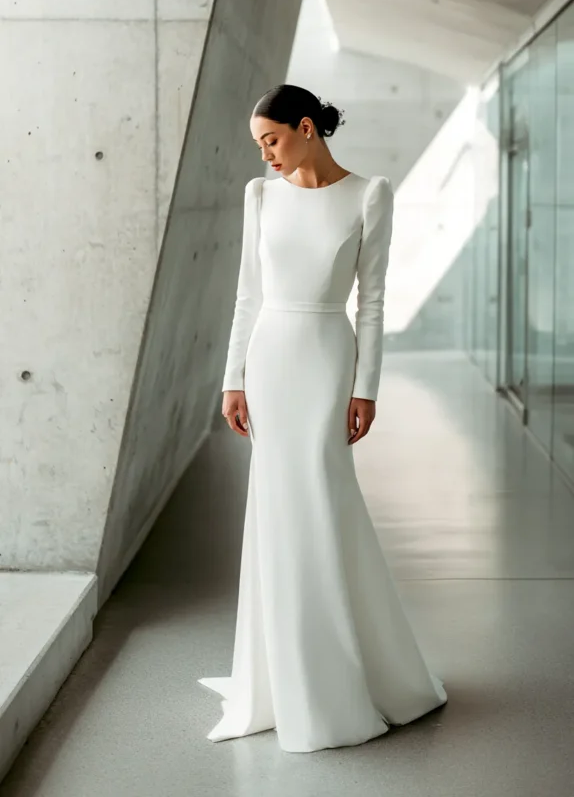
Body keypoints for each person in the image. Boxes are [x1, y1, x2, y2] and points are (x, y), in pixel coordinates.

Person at [198, 84, 446, 753]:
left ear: (306, 127)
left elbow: (371, 302)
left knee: (324, 500)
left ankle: (351, 674)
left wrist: (367, 388)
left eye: (271, 140)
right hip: (270, 358)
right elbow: (248, 294)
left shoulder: (370, 194)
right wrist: (233, 379)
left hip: (327, 358)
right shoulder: (259, 196)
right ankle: (283, 676)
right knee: (278, 508)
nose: (266, 155)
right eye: (260, 147)